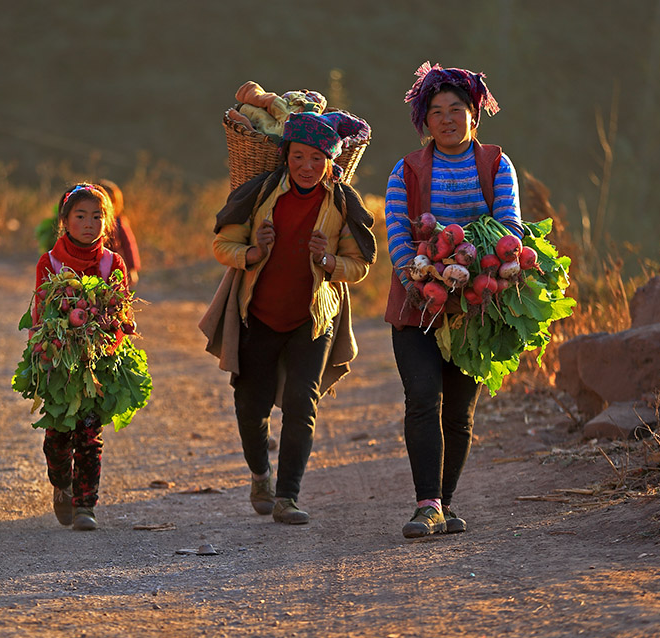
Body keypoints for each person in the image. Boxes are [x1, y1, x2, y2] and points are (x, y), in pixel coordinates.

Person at [204, 110, 376, 525]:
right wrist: (253, 252)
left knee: (302, 404)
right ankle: (260, 475)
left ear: (331, 161)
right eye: (299, 156)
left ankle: (288, 497)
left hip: (312, 318)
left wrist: (330, 259)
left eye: (317, 159)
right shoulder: (261, 193)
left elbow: (360, 265)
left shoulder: (340, 203)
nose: (307, 167)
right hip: (259, 315)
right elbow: (223, 244)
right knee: (250, 405)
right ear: (286, 157)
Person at [384, 62, 523, 539]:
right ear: (424, 120)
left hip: (477, 303)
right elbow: (399, 236)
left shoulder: (497, 165)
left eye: (456, 110)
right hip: (417, 301)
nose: (447, 119)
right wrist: (420, 275)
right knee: (423, 398)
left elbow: (509, 229)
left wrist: (472, 272)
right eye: (437, 111)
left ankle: (444, 503)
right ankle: (428, 504)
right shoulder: (405, 171)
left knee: (458, 412)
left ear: (474, 115)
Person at [32, 182, 129, 531]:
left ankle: (85, 505)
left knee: (90, 435)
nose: (89, 223)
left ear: (107, 221)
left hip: (96, 365)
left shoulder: (111, 262)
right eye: (81, 215)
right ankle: (62, 484)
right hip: (59, 364)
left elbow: (122, 312)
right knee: (58, 439)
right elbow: (43, 312)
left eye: (97, 216)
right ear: (65, 221)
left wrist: (111, 335)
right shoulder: (51, 262)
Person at [98, 179, 142, 287]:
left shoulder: (119, 221)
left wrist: (132, 269)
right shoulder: (91, 221)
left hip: (114, 267)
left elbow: (129, 245)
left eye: (110, 201)